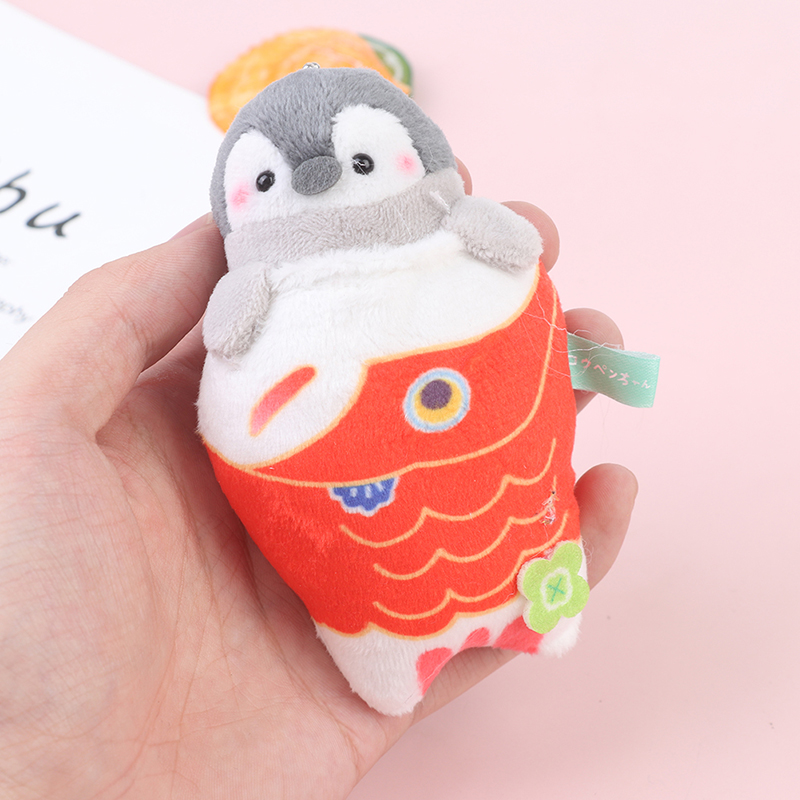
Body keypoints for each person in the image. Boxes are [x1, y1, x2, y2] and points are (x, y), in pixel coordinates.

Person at [0, 166, 637, 798]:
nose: (317, 174)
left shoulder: (465, 256)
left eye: (361, 163)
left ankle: (524, 619)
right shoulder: (261, 294)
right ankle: (401, 658)